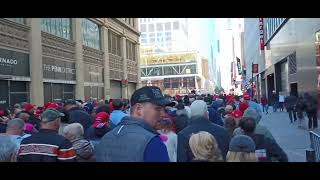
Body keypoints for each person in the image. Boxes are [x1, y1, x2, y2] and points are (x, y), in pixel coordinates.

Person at [95, 86, 170, 162]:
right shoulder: (152, 143)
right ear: (138, 109)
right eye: (158, 109)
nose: (163, 114)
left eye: (164, 109)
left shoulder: (106, 138)